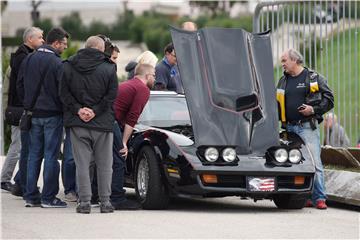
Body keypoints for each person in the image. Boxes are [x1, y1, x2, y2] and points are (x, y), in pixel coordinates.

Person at [60, 36, 118, 214]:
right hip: (102, 123)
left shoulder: (68, 65)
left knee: (82, 164)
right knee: (104, 164)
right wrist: (95, 111)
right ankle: (105, 202)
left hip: (78, 123)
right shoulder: (109, 67)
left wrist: (79, 110)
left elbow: (63, 93)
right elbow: (111, 95)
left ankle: (84, 202)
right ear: (101, 49)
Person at [276, 48, 334, 210]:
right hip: (289, 128)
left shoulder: (314, 78)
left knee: (314, 163)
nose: (282, 64)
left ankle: (319, 198)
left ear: (295, 60)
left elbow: (329, 100)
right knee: (295, 163)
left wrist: (313, 110)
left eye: (284, 61)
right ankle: (304, 196)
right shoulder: (283, 80)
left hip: (307, 127)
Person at [18, 27, 69, 208]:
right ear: (55, 43)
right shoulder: (57, 63)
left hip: (33, 114)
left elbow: (20, 85)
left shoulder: (29, 59)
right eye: (63, 44)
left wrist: (29, 104)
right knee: (51, 156)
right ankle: (48, 197)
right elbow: (63, 91)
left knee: (33, 155)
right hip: (52, 115)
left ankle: (31, 195)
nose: (65, 47)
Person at [2, 27, 44, 195]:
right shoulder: (23, 59)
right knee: (18, 145)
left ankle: (20, 180)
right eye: (40, 37)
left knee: (23, 146)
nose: (43, 40)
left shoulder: (21, 57)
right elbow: (21, 87)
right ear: (30, 39)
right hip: (20, 109)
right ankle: (4, 179)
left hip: (17, 108)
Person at [112, 63, 156, 210]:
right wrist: (124, 142)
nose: (155, 79)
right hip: (111, 122)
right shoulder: (143, 89)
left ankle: (96, 195)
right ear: (147, 76)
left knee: (103, 160)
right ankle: (117, 198)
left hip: (104, 121)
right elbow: (133, 117)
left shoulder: (128, 84)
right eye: (154, 76)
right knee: (119, 159)